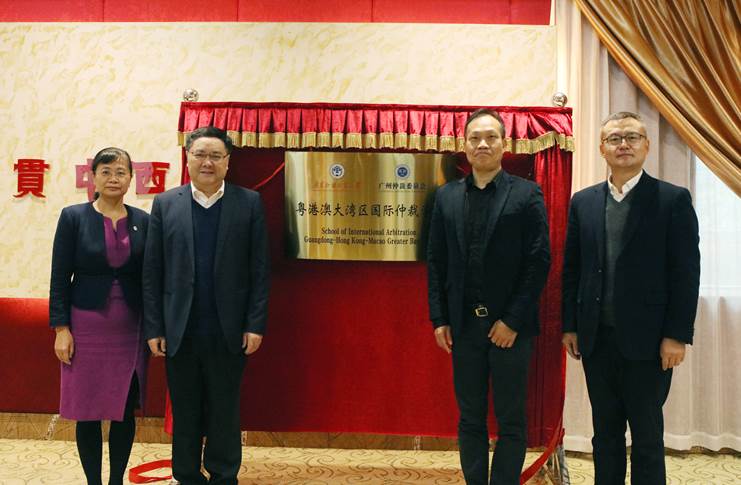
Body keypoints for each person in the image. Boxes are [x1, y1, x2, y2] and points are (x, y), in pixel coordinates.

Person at [561, 111, 700, 484]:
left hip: (650, 342)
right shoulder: (583, 202)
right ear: (602, 148)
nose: (623, 144)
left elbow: (686, 273)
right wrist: (570, 325)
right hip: (596, 339)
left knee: (647, 436)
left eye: (632, 137)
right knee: (604, 435)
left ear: (646, 146)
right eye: (614, 138)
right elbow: (572, 268)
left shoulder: (672, 200)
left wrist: (677, 335)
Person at [427, 108, 551, 484]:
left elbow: (538, 262)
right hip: (464, 327)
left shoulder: (526, 194)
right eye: (475, 138)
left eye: (491, 137)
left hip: (510, 329)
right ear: (464, 145)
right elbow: (436, 261)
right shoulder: (446, 197)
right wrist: (439, 318)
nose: (483, 144)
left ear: (504, 144)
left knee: (511, 420)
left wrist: (512, 320)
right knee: (470, 417)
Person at [143, 125, 270, 485]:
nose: (207, 162)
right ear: (187, 159)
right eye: (200, 154)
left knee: (224, 409)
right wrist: (154, 327)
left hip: (229, 330)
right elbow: (152, 271)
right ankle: (186, 475)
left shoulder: (248, 203)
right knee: (185, 409)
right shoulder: (166, 203)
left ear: (228, 161)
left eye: (216, 155)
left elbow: (260, 270)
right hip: (179, 329)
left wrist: (255, 324)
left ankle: (224, 475)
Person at [49, 147, 149, 485]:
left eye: (121, 172)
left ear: (131, 178)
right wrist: (61, 329)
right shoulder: (73, 217)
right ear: (92, 177)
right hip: (86, 326)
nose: (113, 178)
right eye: (106, 171)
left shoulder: (144, 221)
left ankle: (116, 480)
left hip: (131, 328)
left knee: (124, 410)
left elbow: (151, 278)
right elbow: (59, 276)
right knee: (87, 411)